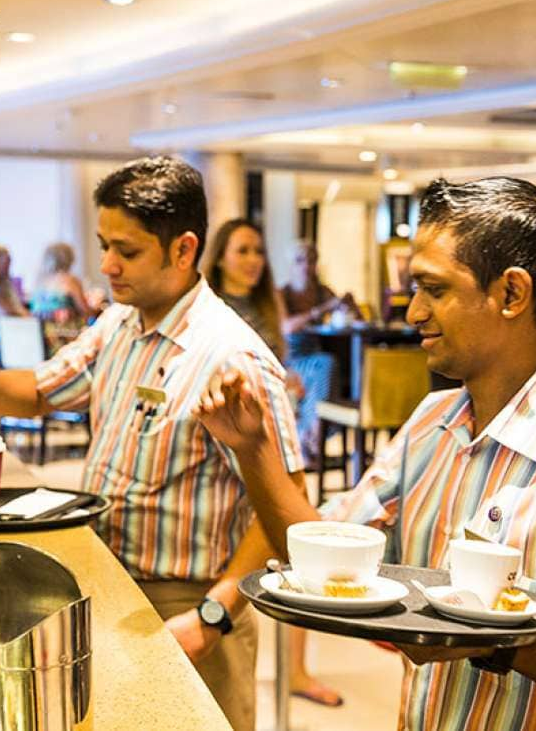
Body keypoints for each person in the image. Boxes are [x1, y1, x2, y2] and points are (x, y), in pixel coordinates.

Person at [195, 177, 536, 731]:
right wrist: (254, 449)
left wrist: (507, 647)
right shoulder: (430, 426)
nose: (412, 311)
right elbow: (319, 555)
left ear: (512, 294)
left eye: (434, 289)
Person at [0, 156, 303, 731]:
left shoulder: (232, 357)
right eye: (104, 245)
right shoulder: (119, 324)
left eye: (126, 251)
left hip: (188, 607)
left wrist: (214, 615)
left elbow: (283, 513)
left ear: (183, 250)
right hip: (109, 583)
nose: (106, 265)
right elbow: (37, 391)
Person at [203, 218, 342, 708]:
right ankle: (292, 672)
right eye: (241, 250)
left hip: (272, 437)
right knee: (284, 546)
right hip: (232, 449)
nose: (253, 259)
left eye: (258, 250)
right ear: (219, 256)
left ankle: (298, 670)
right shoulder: (213, 312)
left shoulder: (266, 304)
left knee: (293, 545)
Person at [280, 240, 361, 461]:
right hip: (291, 360)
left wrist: (349, 305)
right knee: (325, 365)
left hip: (317, 357)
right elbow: (285, 326)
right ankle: (315, 431)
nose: (306, 266)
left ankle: (312, 433)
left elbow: (356, 319)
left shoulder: (321, 290)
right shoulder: (283, 293)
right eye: (300, 260)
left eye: (311, 260)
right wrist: (320, 310)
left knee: (330, 366)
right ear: (291, 265)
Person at [31, 242, 92, 322]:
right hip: (64, 330)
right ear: (69, 259)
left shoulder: (40, 280)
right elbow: (85, 310)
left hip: (40, 330)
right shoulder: (70, 280)